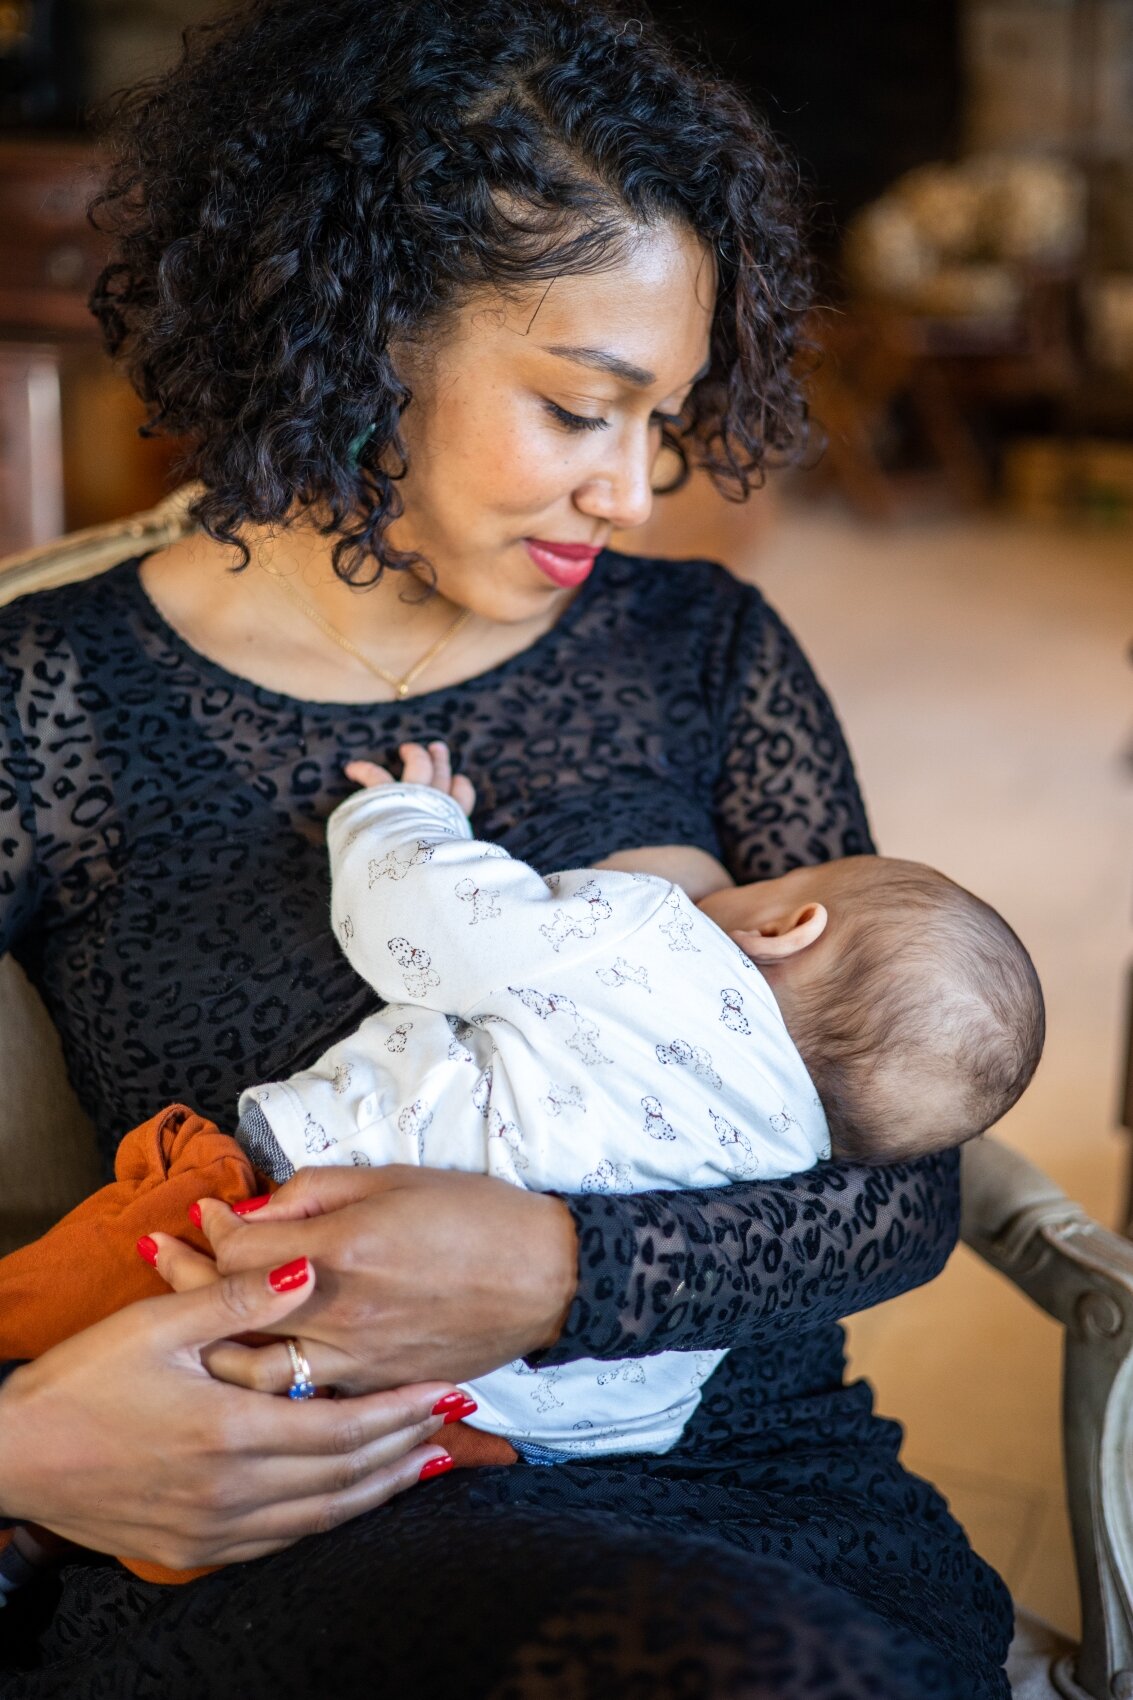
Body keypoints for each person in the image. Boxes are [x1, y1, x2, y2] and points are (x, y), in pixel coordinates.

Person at [0, 1, 1018, 1694]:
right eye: (580, 408)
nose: (635, 489)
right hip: (316, 1503)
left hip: (759, 1473)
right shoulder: (55, 698)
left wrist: (554, 1273)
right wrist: (22, 1445)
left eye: (666, 419)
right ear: (361, 334)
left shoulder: (701, 651)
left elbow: (896, 1181)